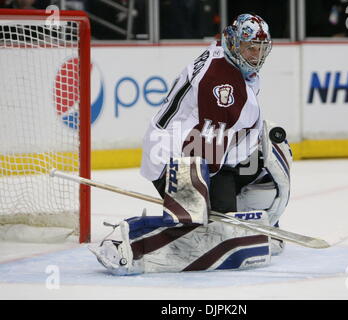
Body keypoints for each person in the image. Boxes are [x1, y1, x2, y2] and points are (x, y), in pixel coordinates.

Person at [89, 13, 293, 275]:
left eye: (261, 49)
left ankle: (253, 220)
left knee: (261, 164)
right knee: (206, 227)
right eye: (249, 48)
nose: (255, 56)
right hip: (179, 159)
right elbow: (207, 152)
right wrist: (213, 211)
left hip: (191, 149)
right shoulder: (221, 85)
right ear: (234, 43)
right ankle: (131, 243)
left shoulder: (225, 54)